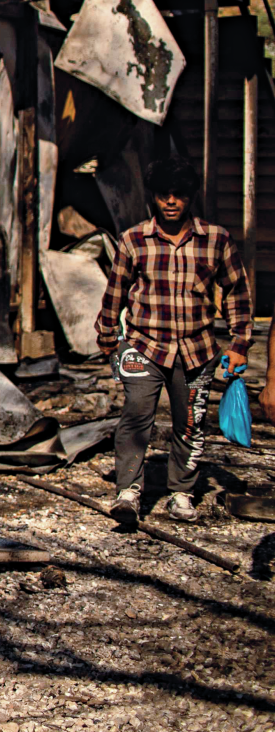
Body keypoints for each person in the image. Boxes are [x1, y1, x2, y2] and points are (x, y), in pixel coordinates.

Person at [94, 156, 252, 523]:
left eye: (178, 194)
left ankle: (181, 491)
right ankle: (128, 491)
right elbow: (115, 292)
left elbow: (237, 292)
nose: (170, 201)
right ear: (154, 196)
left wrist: (240, 342)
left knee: (190, 422)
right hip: (142, 347)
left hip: (197, 351)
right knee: (136, 415)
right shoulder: (134, 240)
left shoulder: (216, 240)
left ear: (190, 197)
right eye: (163, 194)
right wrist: (106, 335)